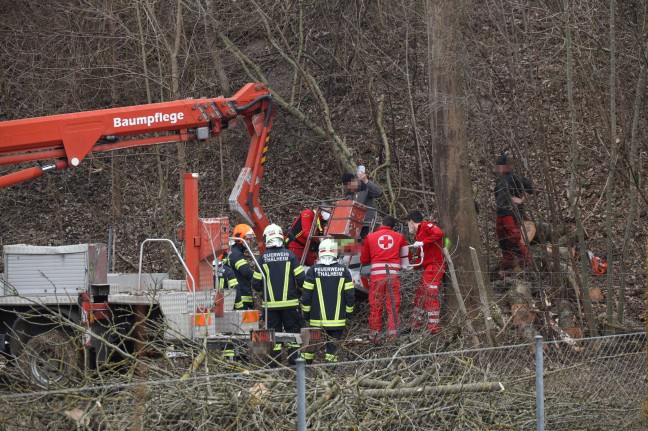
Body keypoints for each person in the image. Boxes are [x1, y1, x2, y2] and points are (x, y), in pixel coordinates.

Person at [252, 224, 305, 365]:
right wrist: (298, 291)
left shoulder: (263, 258)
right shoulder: (291, 256)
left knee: (273, 336)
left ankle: (274, 365)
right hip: (291, 304)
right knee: (293, 334)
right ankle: (294, 364)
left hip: (270, 307)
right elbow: (301, 278)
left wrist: (263, 293)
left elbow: (256, 283)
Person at [300, 239, 355, 363]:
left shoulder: (313, 270)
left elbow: (306, 295)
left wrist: (307, 314)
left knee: (311, 344)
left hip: (316, 318)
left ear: (320, 252)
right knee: (332, 347)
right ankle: (330, 370)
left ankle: (305, 368)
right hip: (337, 319)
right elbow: (350, 295)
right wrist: (348, 313)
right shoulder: (344, 271)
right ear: (335, 252)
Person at [359, 215, 410, 343]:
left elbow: (364, 260)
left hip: (377, 277)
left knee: (376, 305)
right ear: (393, 226)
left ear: (381, 223)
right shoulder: (399, 237)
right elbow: (407, 256)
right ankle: (393, 335)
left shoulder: (370, 237)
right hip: (393, 276)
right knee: (393, 304)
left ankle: (375, 336)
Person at [494, 154, 534, 277]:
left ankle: (527, 265)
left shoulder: (515, 177)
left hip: (512, 212)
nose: (498, 168)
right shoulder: (499, 180)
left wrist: (521, 200)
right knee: (503, 241)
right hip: (500, 213)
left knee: (514, 238)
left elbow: (530, 188)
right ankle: (508, 267)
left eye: (500, 166)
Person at [406, 210, 445, 334]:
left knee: (430, 294)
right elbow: (422, 257)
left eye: (408, 224)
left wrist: (423, 242)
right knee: (420, 294)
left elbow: (439, 233)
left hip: (435, 265)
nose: (408, 227)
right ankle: (415, 324)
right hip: (428, 266)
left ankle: (434, 327)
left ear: (411, 222)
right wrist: (413, 266)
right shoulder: (418, 235)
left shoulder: (426, 225)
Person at [341, 167, 383, 238]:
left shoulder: (365, 187)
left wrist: (366, 181)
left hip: (365, 223)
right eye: (346, 185)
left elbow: (379, 193)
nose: (348, 186)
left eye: (349, 184)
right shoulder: (348, 193)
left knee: (363, 244)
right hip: (352, 224)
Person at [224, 224, 256, 310]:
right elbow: (246, 272)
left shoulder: (231, 251)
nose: (249, 242)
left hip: (234, 296)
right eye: (247, 239)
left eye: (250, 239)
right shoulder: (237, 254)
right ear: (240, 239)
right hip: (242, 296)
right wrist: (258, 278)